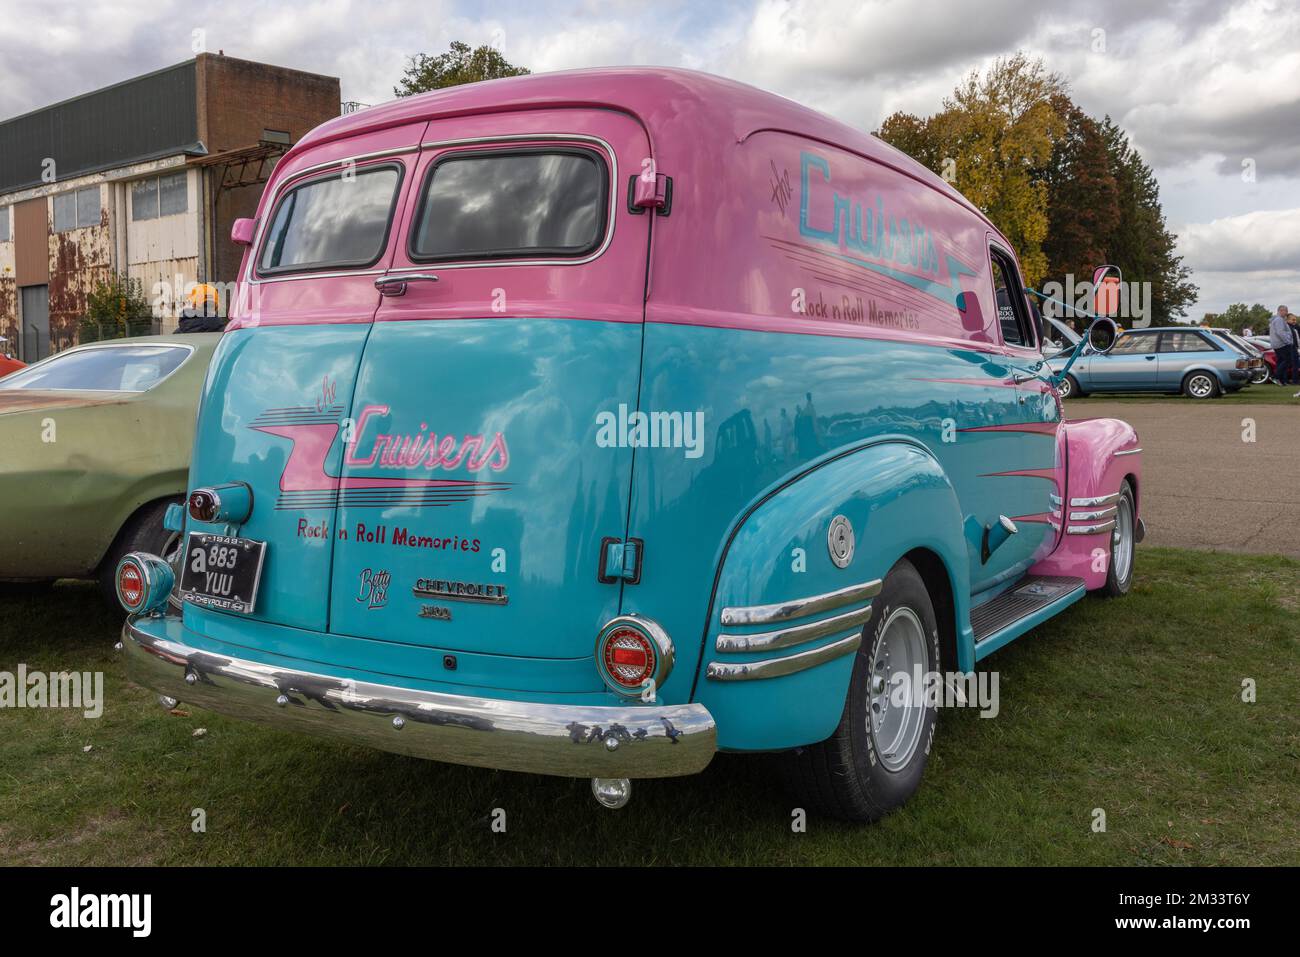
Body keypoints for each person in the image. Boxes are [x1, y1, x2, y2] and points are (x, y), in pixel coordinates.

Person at [1268, 305, 1295, 386]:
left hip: (1278, 344)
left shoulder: (1277, 319)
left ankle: (1281, 380)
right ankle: (1275, 376)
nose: (1286, 313)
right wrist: (1287, 341)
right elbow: (1280, 332)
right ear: (1280, 311)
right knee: (1287, 360)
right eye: (1285, 311)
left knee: (1280, 362)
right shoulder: (1279, 320)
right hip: (1282, 344)